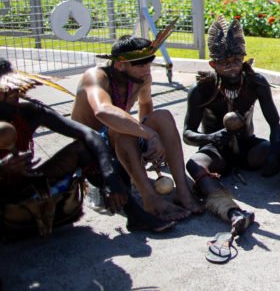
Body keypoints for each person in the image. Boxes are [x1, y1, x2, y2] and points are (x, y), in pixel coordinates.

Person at [0, 59, 172, 236]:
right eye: (6, 90)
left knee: (86, 148)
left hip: (22, 183)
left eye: (15, 87)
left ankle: (135, 215)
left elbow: (91, 135)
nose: (14, 93)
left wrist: (110, 178)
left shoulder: (30, 112)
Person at [71, 27, 203, 222]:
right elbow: (103, 111)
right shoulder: (96, 77)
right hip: (94, 151)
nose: (146, 69)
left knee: (163, 116)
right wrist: (148, 134)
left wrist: (152, 143)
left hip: (120, 143)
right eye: (140, 65)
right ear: (120, 65)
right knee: (122, 129)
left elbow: (146, 105)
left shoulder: (142, 78)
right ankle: (150, 200)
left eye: (148, 63)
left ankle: (183, 191)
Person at [183, 16, 280, 235]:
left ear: (244, 60)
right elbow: (187, 134)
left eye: (236, 61)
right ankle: (231, 212)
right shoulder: (201, 90)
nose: (231, 68)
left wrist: (274, 154)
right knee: (194, 164)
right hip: (216, 152)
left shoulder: (256, 83)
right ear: (213, 64)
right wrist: (210, 138)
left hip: (249, 148)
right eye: (224, 63)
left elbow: (275, 125)